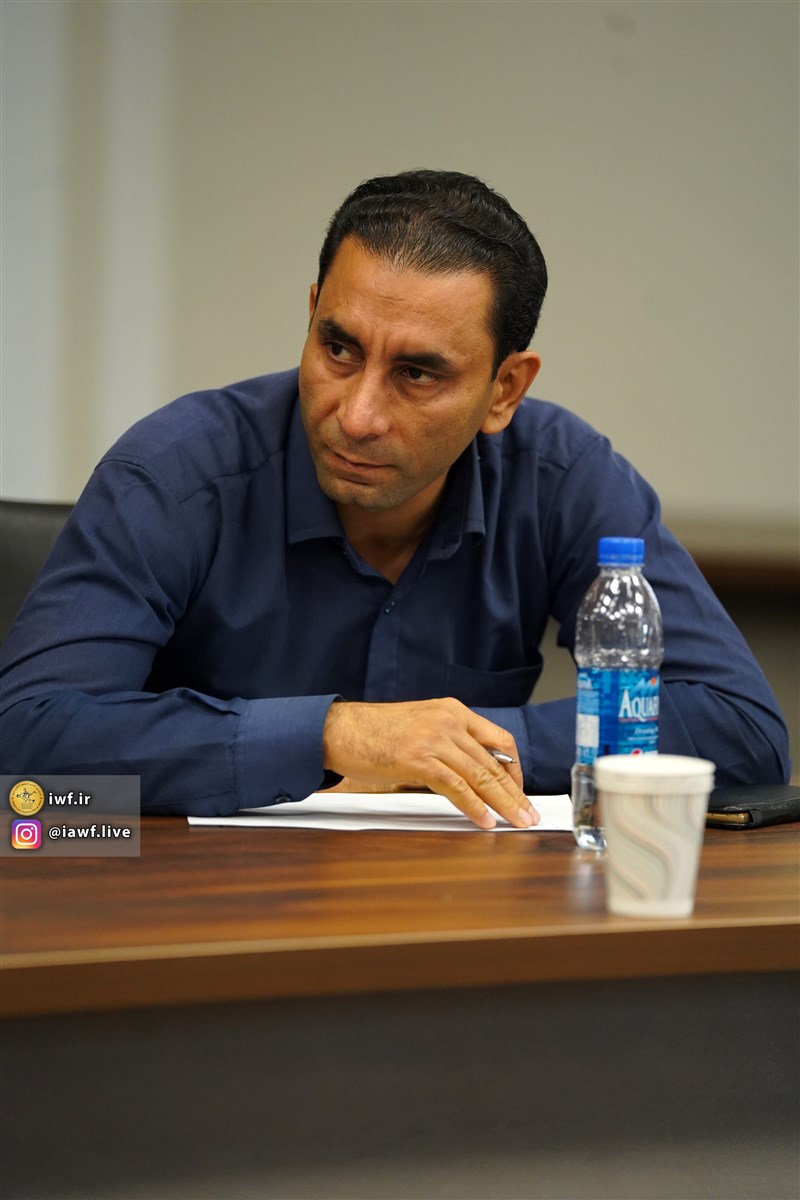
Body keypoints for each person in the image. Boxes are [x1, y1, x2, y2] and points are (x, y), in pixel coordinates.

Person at [0, 170, 790, 826]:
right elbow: (24, 736)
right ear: (312, 314)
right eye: (338, 348)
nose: (357, 415)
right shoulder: (176, 473)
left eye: (417, 373)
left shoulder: (560, 476)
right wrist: (336, 735)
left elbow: (739, 727)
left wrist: (456, 748)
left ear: (504, 390)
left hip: (449, 907)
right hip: (190, 904)